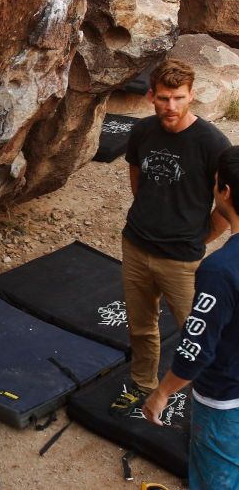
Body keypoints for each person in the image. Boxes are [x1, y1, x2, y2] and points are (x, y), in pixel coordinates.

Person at [111, 59, 232, 416]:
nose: (171, 107)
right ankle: (142, 384)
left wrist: (202, 234)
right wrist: (150, 216)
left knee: (198, 334)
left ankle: (208, 405)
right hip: (136, 244)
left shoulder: (213, 144)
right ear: (151, 95)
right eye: (163, 98)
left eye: (179, 98)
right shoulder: (143, 132)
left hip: (182, 259)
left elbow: (227, 201)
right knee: (141, 324)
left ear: (192, 95)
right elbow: (137, 177)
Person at [142, 146, 239, 489]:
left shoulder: (220, 271)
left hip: (225, 399)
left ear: (224, 192)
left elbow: (196, 346)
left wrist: (163, 392)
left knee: (218, 478)